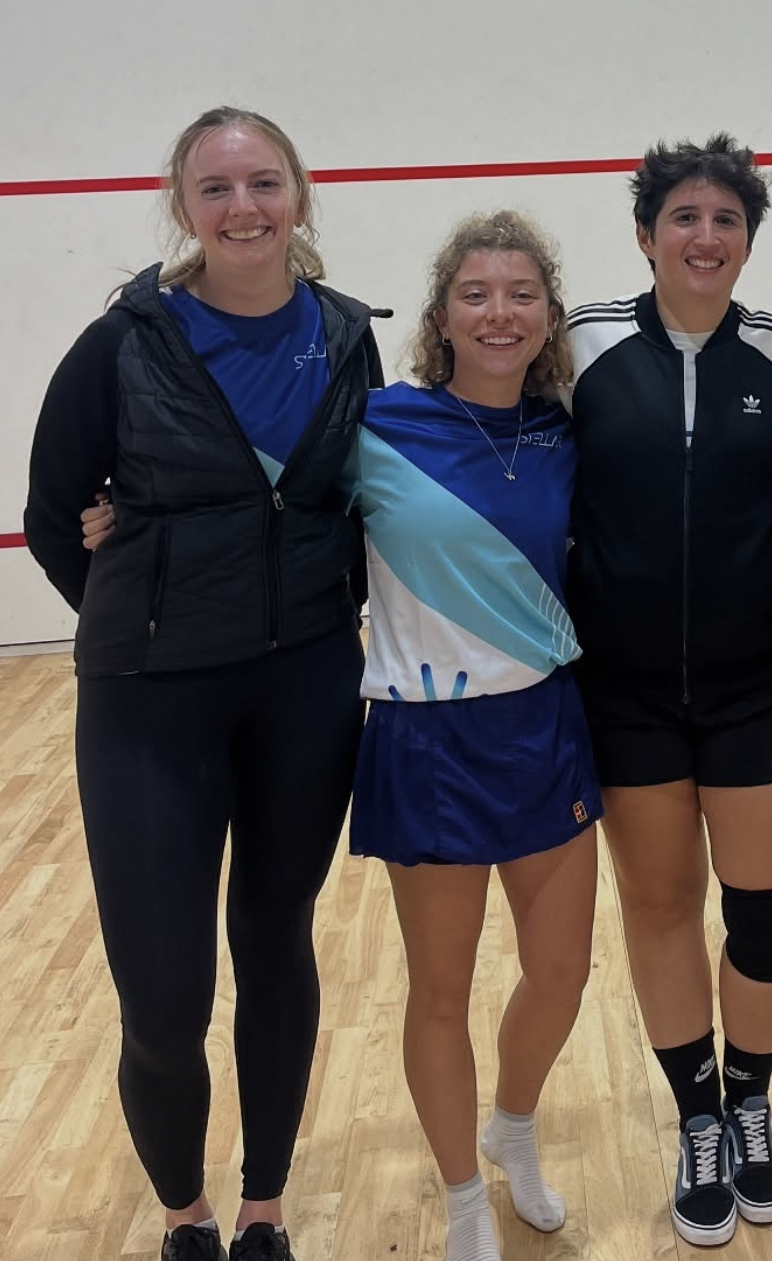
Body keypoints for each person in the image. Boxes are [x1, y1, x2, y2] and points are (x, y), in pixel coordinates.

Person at [24, 106, 381, 1261]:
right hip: (149, 702)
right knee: (165, 997)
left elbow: (360, 492)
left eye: (264, 184)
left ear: (299, 198)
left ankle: (266, 1205)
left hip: (306, 688)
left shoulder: (342, 332)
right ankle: (185, 1211)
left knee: (276, 941)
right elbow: (52, 514)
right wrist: (143, 611)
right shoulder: (121, 342)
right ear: (183, 207)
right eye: (217, 189)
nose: (243, 208)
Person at [564, 134, 772, 1247]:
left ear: (746, 239)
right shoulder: (582, 346)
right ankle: (699, 1115)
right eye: (684, 219)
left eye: (725, 221)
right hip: (620, 691)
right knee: (660, 906)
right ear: (645, 234)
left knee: (769, 912)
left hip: (758, 678)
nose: (704, 238)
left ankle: (752, 1095)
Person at [348, 210, 601, 1261]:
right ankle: (461, 1197)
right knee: (440, 989)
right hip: (424, 739)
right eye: (477, 294)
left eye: (521, 295)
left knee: (562, 973)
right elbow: (250, 498)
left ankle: (514, 1125)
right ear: (442, 313)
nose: (500, 313)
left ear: (547, 317)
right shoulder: (376, 426)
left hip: (544, 724)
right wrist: (114, 512)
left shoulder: (567, 433)